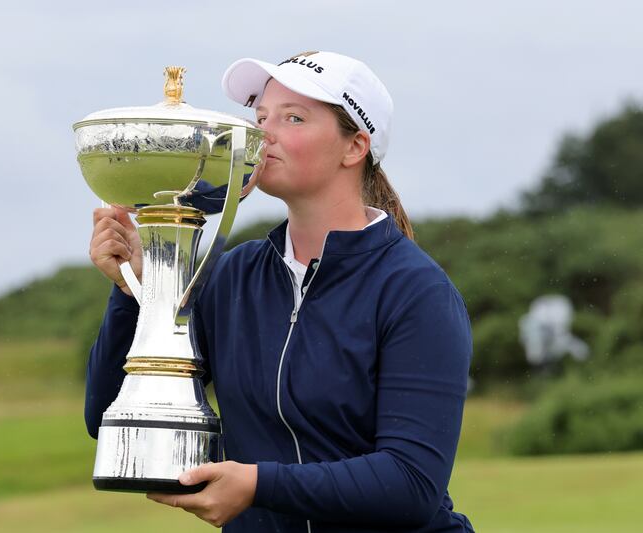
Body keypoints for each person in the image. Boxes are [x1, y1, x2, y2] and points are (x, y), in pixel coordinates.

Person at [85, 51, 475, 532]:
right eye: (260, 117)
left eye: (293, 118)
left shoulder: (415, 291)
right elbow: (109, 420)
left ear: (354, 147)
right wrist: (137, 290)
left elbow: (411, 484)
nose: (264, 134)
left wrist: (257, 486)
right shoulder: (231, 276)